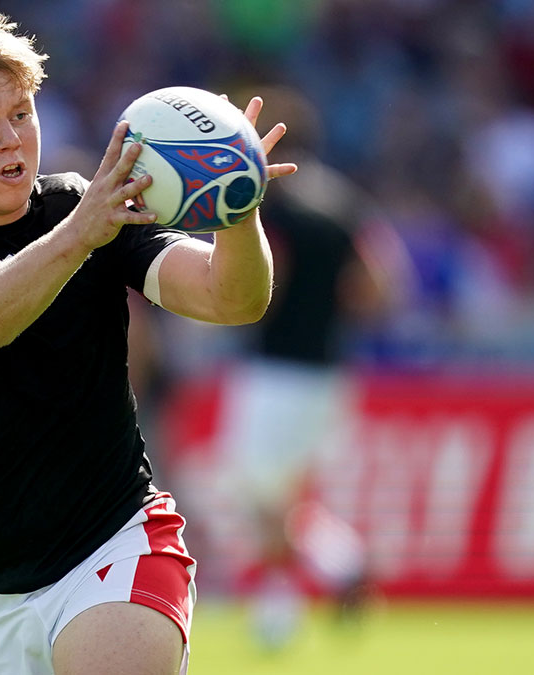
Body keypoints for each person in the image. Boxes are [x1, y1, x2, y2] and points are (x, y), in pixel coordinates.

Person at [0, 9, 296, 674]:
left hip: (117, 542)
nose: (11, 139)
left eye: (22, 114)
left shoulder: (86, 205)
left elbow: (232, 298)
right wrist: (80, 235)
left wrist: (236, 207)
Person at [213, 85, 410, 650]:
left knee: (258, 498)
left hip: (274, 369)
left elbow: (260, 286)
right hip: (328, 370)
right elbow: (376, 285)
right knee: (284, 498)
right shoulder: (345, 203)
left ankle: (283, 606)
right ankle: (339, 566)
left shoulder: (273, 204)